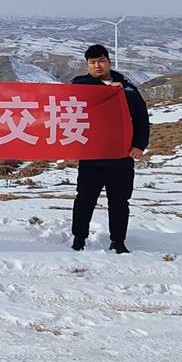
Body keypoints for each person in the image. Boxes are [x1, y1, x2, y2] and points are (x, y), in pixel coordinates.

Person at [70, 44, 149, 254]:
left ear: (109, 62)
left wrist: (139, 145)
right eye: (92, 62)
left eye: (101, 61)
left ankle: (118, 241)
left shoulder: (128, 89)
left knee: (120, 202)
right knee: (84, 200)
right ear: (87, 65)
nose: (97, 66)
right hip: (91, 158)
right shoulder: (80, 86)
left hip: (121, 158)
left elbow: (141, 119)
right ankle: (79, 238)